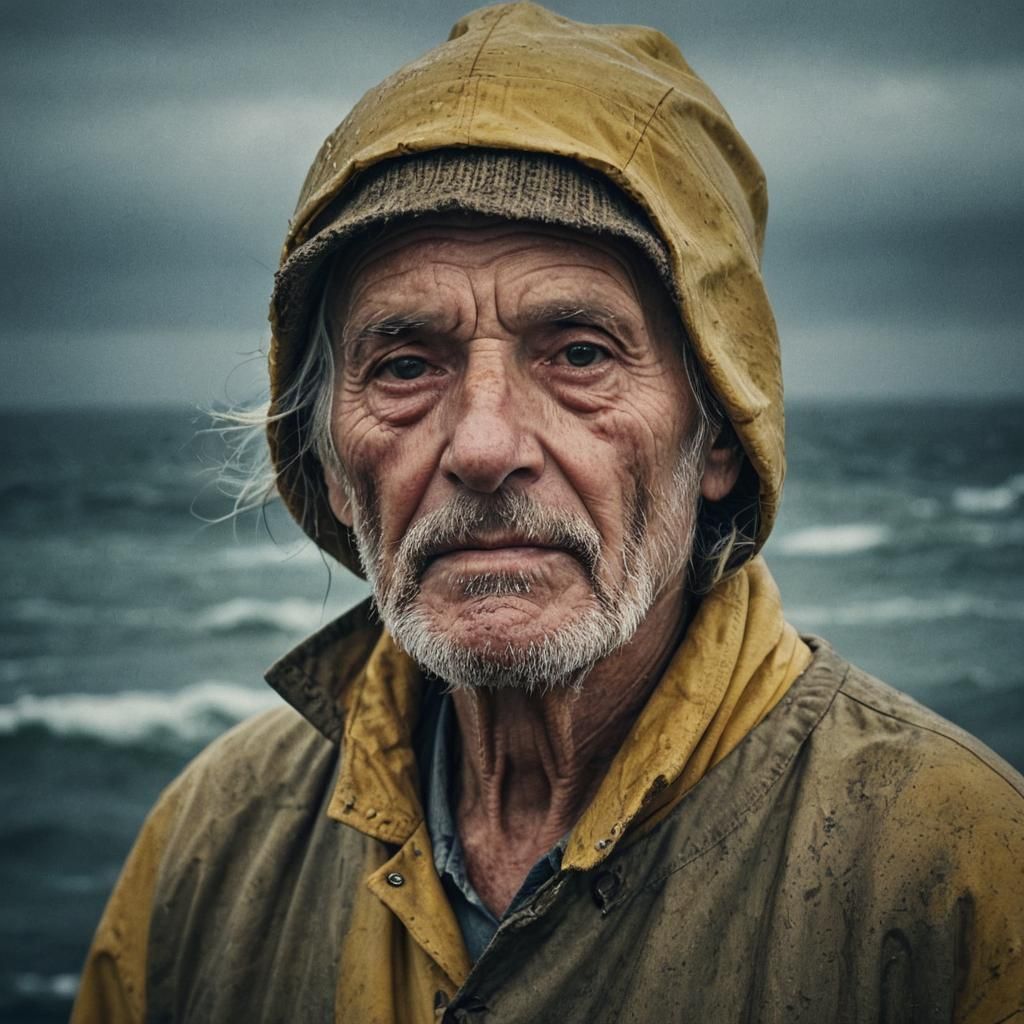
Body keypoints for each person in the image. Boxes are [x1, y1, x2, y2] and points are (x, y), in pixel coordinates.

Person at [72, 4, 1024, 1022]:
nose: (483, 446)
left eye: (578, 353)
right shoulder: (214, 840)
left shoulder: (957, 870)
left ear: (715, 436)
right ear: (334, 464)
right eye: (404, 364)